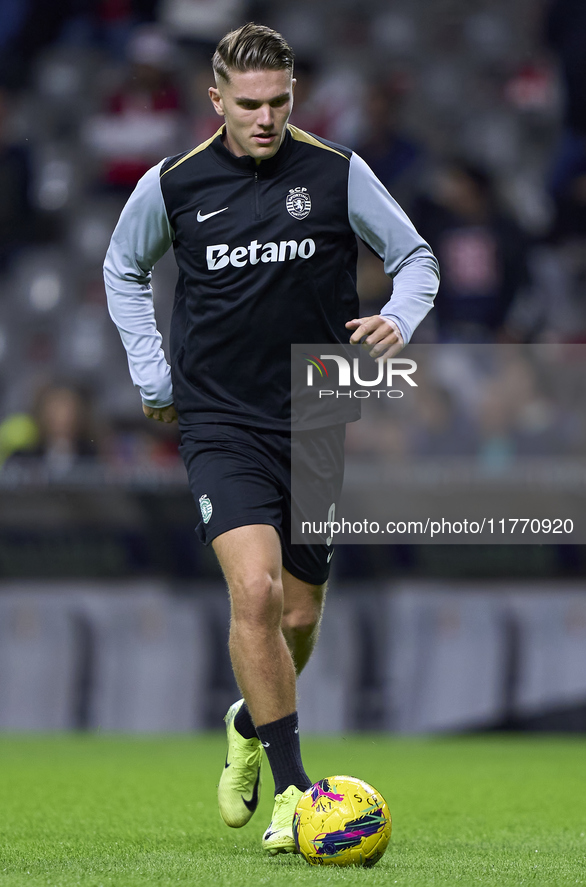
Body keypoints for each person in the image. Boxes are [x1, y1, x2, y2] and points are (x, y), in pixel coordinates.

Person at [104, 22, 439, 855]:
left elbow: (418, 257)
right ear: (214, 100)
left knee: (296, 612)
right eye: (248, 104)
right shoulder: (173, 184)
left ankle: (247, 719)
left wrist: (398, 316)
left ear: (295, 96)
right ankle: (295, 793)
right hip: (218, 416)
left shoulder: (336, 172)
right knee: (252, 594)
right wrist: (153, 374)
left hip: (318, 407)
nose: (265, 118)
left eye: (279, 102)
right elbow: (121, 267)